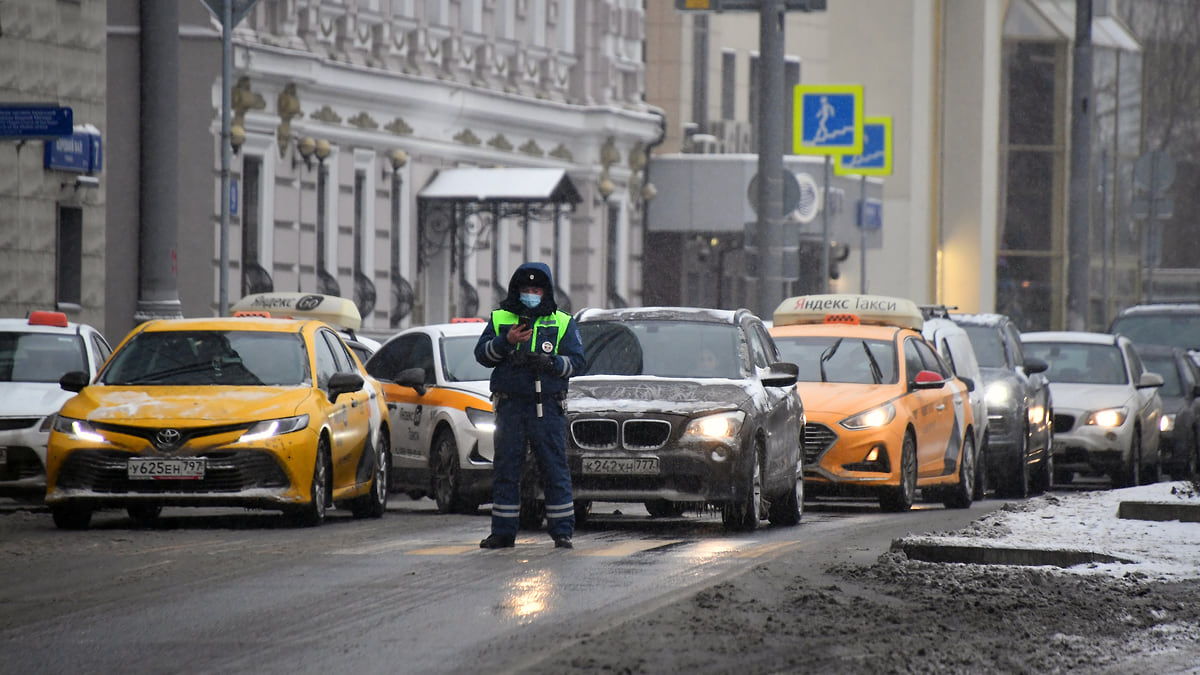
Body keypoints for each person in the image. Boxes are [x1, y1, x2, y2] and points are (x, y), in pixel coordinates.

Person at [474, 261, 586, 549]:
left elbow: (578, 362)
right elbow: (482, 354)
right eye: (526, 289)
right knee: (506, 470)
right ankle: (503, 532)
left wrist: (550, 363)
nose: (531, 294)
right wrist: (506, 341)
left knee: (554, 468)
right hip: (510, 406)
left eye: (536, 289)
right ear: (517, 290)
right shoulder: (501, 318)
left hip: (546, 406)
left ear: (545, 291)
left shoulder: (562, 321)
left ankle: (562, 532)